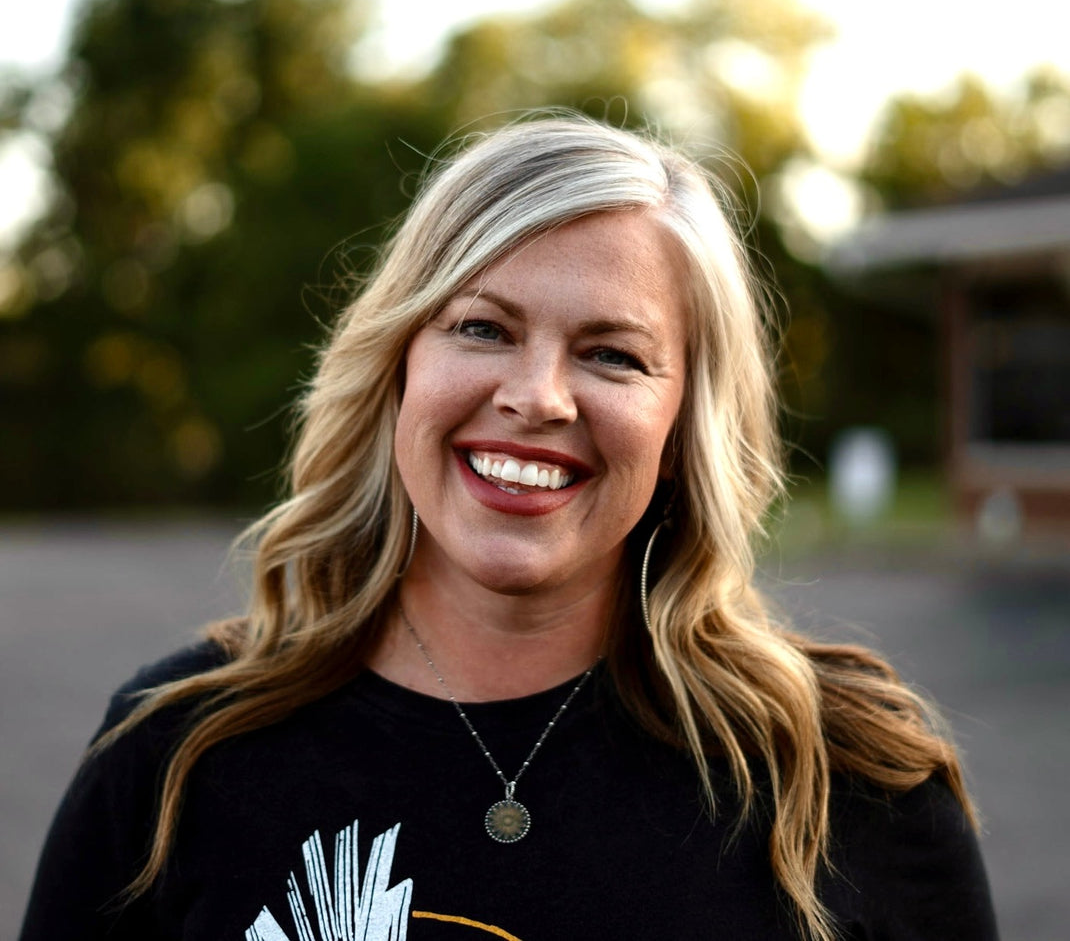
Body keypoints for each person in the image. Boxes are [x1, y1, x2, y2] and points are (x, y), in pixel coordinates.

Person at [19, 114, 998, 941]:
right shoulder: (178, 748)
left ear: (681, 424)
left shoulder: (847, 776)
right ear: (397, 364)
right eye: (480, 327)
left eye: (611, 354)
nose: (535, 398)